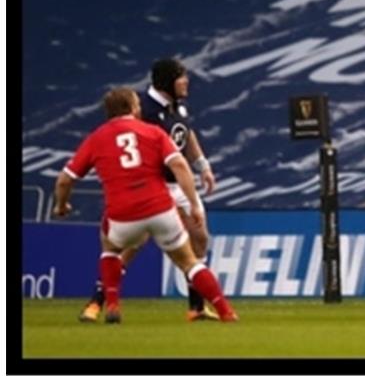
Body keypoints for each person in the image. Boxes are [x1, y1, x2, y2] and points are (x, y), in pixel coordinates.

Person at [53, 88, 237, 324]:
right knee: (189, 262)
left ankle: (111, 305)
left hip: (122, 216)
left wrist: (61, 205)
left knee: (110, 248)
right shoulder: (153, 132)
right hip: (160, 209)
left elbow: (65, 180)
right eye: (137, 103)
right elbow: (180, 165)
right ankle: (225, 310)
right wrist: (193, 204)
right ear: (132, 107)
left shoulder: (97, 137)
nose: (140, 107)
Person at [80, 57, 219, 323]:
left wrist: (202, 165)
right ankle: (97, 302)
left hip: (176, 181)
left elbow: (186, 134)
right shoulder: (143, 108)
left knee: (200, 237)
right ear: (167, 80)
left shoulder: (178, 106)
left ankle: (196, 307)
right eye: (181, 76)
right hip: (152, 183)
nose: (186, 81)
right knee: (132, 245)